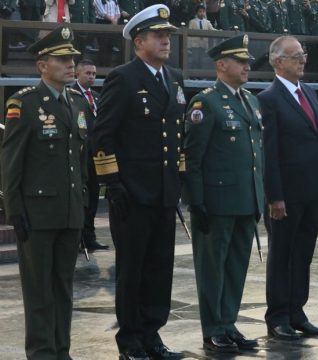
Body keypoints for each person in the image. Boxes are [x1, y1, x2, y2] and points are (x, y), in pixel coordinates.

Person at [91, 4, 185, 359]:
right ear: (139, 41)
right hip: (132, 193)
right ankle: (130, 340)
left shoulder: (173, 77)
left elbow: (177, 134)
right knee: (132, 271)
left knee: (160, 269)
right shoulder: (124, 77)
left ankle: (152, 335)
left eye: (168, 36)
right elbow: (103, 135)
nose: (165, 41)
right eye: (158, 36)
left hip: (163, 192)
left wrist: (179, 180)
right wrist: (112, 182)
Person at [1, 25, 87, 360]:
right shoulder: (24, 104)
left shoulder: (76, 104)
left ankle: (60, 350)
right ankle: (41, 353)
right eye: (62, 58)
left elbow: (80, 162)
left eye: (72, 58)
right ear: (42, 66)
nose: (70, 64)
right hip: (36, 214)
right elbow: (11, 162)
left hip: (69, 211)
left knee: (64, 289)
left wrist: (84, 205)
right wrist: (14, 210)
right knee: (39, 292)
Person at [183, 34, 264, 353]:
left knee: (235, 266)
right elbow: (193, 157)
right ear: (221, 64)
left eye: (247, 62)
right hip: (216, 202)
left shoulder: (250, 100)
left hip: (245, 199)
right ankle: (213, 327)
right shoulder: (206, 103)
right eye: (240, 61)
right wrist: (197, 200)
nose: (246, 67)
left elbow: (257, 154)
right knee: (213, 267)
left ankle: (228, 322)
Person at [257, 36, 318, 340]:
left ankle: (297, 311)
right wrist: (274, 195)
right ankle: (278, 316)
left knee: (303, 254)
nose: (303, 60)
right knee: (283, 255)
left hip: (311, 190)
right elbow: (269, 152)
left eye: (303, 55)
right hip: (285, 194)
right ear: (278, 62)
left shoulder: (310, 92)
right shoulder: (268, 98)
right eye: (296, 56)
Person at [72, 58, 108, 252]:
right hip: (80, 156)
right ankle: (79, 238)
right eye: (88, 73)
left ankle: (90, 236)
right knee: (82, 198)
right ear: (77, 73)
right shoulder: (72, 95)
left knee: (94, 197)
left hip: (95, 156)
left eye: (94, 74)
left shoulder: (97, 96)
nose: (92, 77)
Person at [188, 4, 216, 69]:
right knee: (195, 60)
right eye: (200, 12)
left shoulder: (207, 22)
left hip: (203, 44)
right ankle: (193, 76)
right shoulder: (192, 22)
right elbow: (188, 34)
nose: (202, 13)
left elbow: (212, 30)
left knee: (201, 60)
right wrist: (188, 46)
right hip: (194, 44)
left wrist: (220, 31)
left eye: (203, 12)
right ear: (197, 12)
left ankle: (199, 77)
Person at [93, 0, 120, 66]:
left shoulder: (114, 0)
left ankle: (108, 67)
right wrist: (112, 20)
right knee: (103, 47)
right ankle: (101, 67)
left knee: (110, 47)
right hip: (102, 23)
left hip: (113, 24)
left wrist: (115, 19)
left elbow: (118, 12)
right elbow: (102, 12)